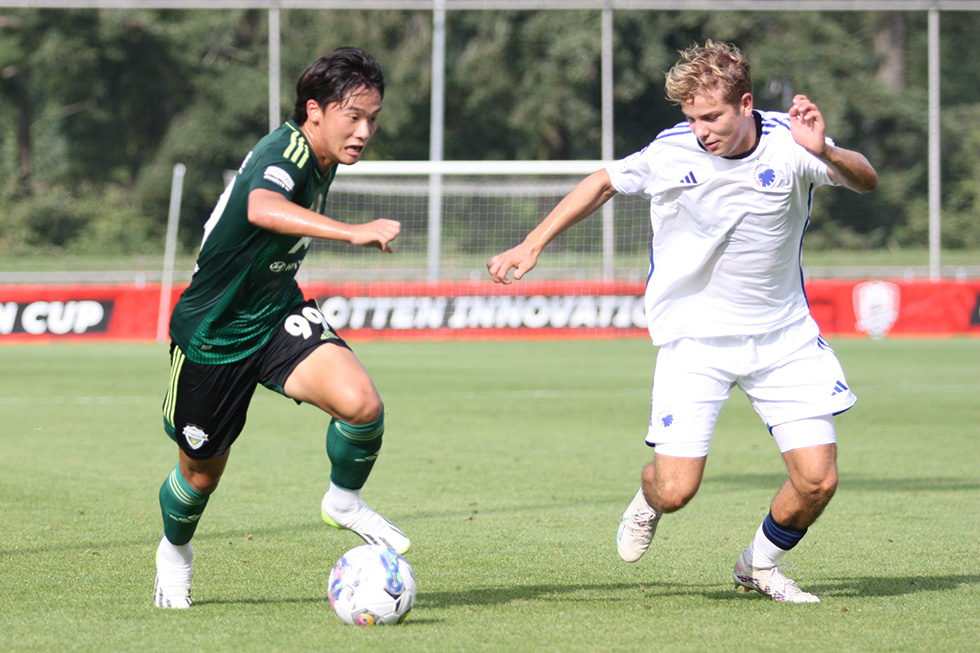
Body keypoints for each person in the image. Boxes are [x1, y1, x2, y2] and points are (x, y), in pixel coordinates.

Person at [487, 40, 876, 603]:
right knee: (675, 490)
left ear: (745, 103)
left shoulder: (794, 145)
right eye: (692, 118)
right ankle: (647, 501)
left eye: (712, 116)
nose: (701, 131)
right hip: (694, 340)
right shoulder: (671, 151)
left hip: (783, 338)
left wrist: (829, 152)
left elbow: (866, 180)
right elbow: (600, 183)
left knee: (818, 480)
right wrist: (531, 244)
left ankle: (758, 565)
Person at [154, 47, 409, 609]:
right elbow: (262, 207)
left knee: (362, 406)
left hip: (274, 312)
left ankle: (343, 500)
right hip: (214, 332)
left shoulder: (329, 154)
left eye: (373, 118)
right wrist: (353, 232)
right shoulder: (286, 150)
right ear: (314, 111)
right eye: (354, 116)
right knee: (199, 479)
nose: (365, 131)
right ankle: (174, 553)